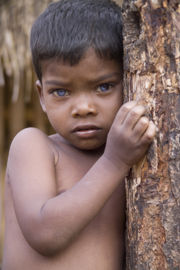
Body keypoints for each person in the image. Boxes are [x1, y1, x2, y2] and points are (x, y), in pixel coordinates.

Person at [2, 0, 156, 269]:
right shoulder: (34, 147)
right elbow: (45, 233)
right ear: (41, 95)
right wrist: (114, 162)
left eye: (104, 86)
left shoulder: (138, 162)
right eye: (61, 92)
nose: (83, 108)